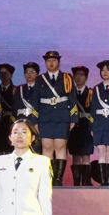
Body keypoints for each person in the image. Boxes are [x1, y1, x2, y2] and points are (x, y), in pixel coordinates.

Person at [36, 51, 77, 186]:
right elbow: (35, 100)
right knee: (47, 147)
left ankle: (58, 179)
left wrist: (73, 118)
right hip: (45, 116)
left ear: (58, 62)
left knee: (60, 146)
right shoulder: (40, 79)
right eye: (48, 60)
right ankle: (48, 178)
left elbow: (72, 98)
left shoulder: (67, 77)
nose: (51, 63)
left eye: (54, 60)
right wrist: (35, 120)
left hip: (62, 116)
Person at [67, 66, 95, 186]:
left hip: (86, 126)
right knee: (76, 156)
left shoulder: (91, 93)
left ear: (86, 77)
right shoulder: (70, 93)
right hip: (74, 127)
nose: (79, 77)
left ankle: (86, 182)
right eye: (76, 75)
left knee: (86, 155)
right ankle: (77, 182)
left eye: (82, 75)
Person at [0, 62, 18, 155]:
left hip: (10, 124)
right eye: (1, 73)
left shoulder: (16, 91)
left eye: (6, 73)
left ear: (11, 75)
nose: (3, 75)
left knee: (10, 151)